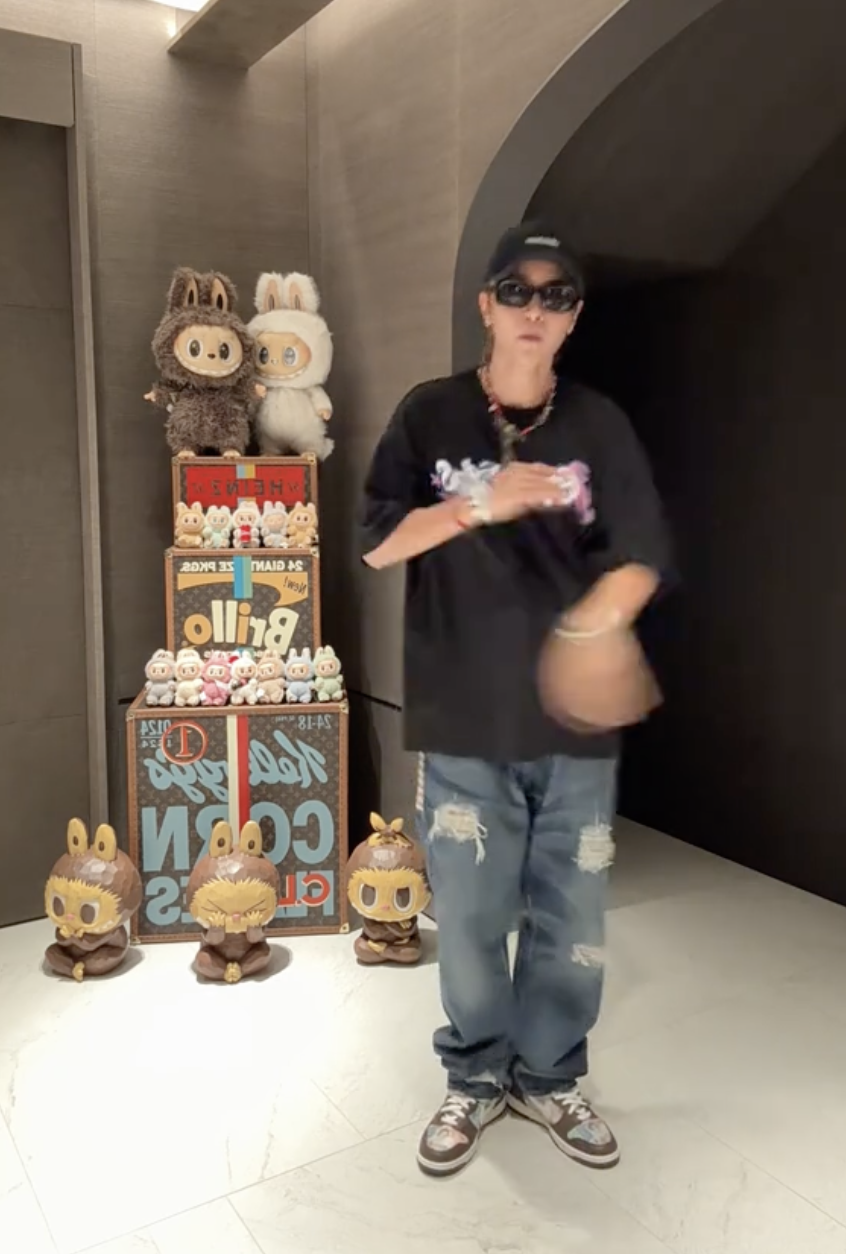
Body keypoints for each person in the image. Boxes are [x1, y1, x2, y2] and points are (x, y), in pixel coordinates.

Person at [360, 222, 669, 1177]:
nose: (537, 308)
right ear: (487, 305)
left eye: (556, 294)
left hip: (577, 728)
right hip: (462, 719)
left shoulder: (600, 425)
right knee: (471, 915)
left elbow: (642, 556)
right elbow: (377, 543)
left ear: (572, 318)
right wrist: (476, 503)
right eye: (518, 290)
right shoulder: (429, 414)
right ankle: (475, 1075)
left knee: (571, 921)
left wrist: (592, 630)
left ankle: (550, 1076)